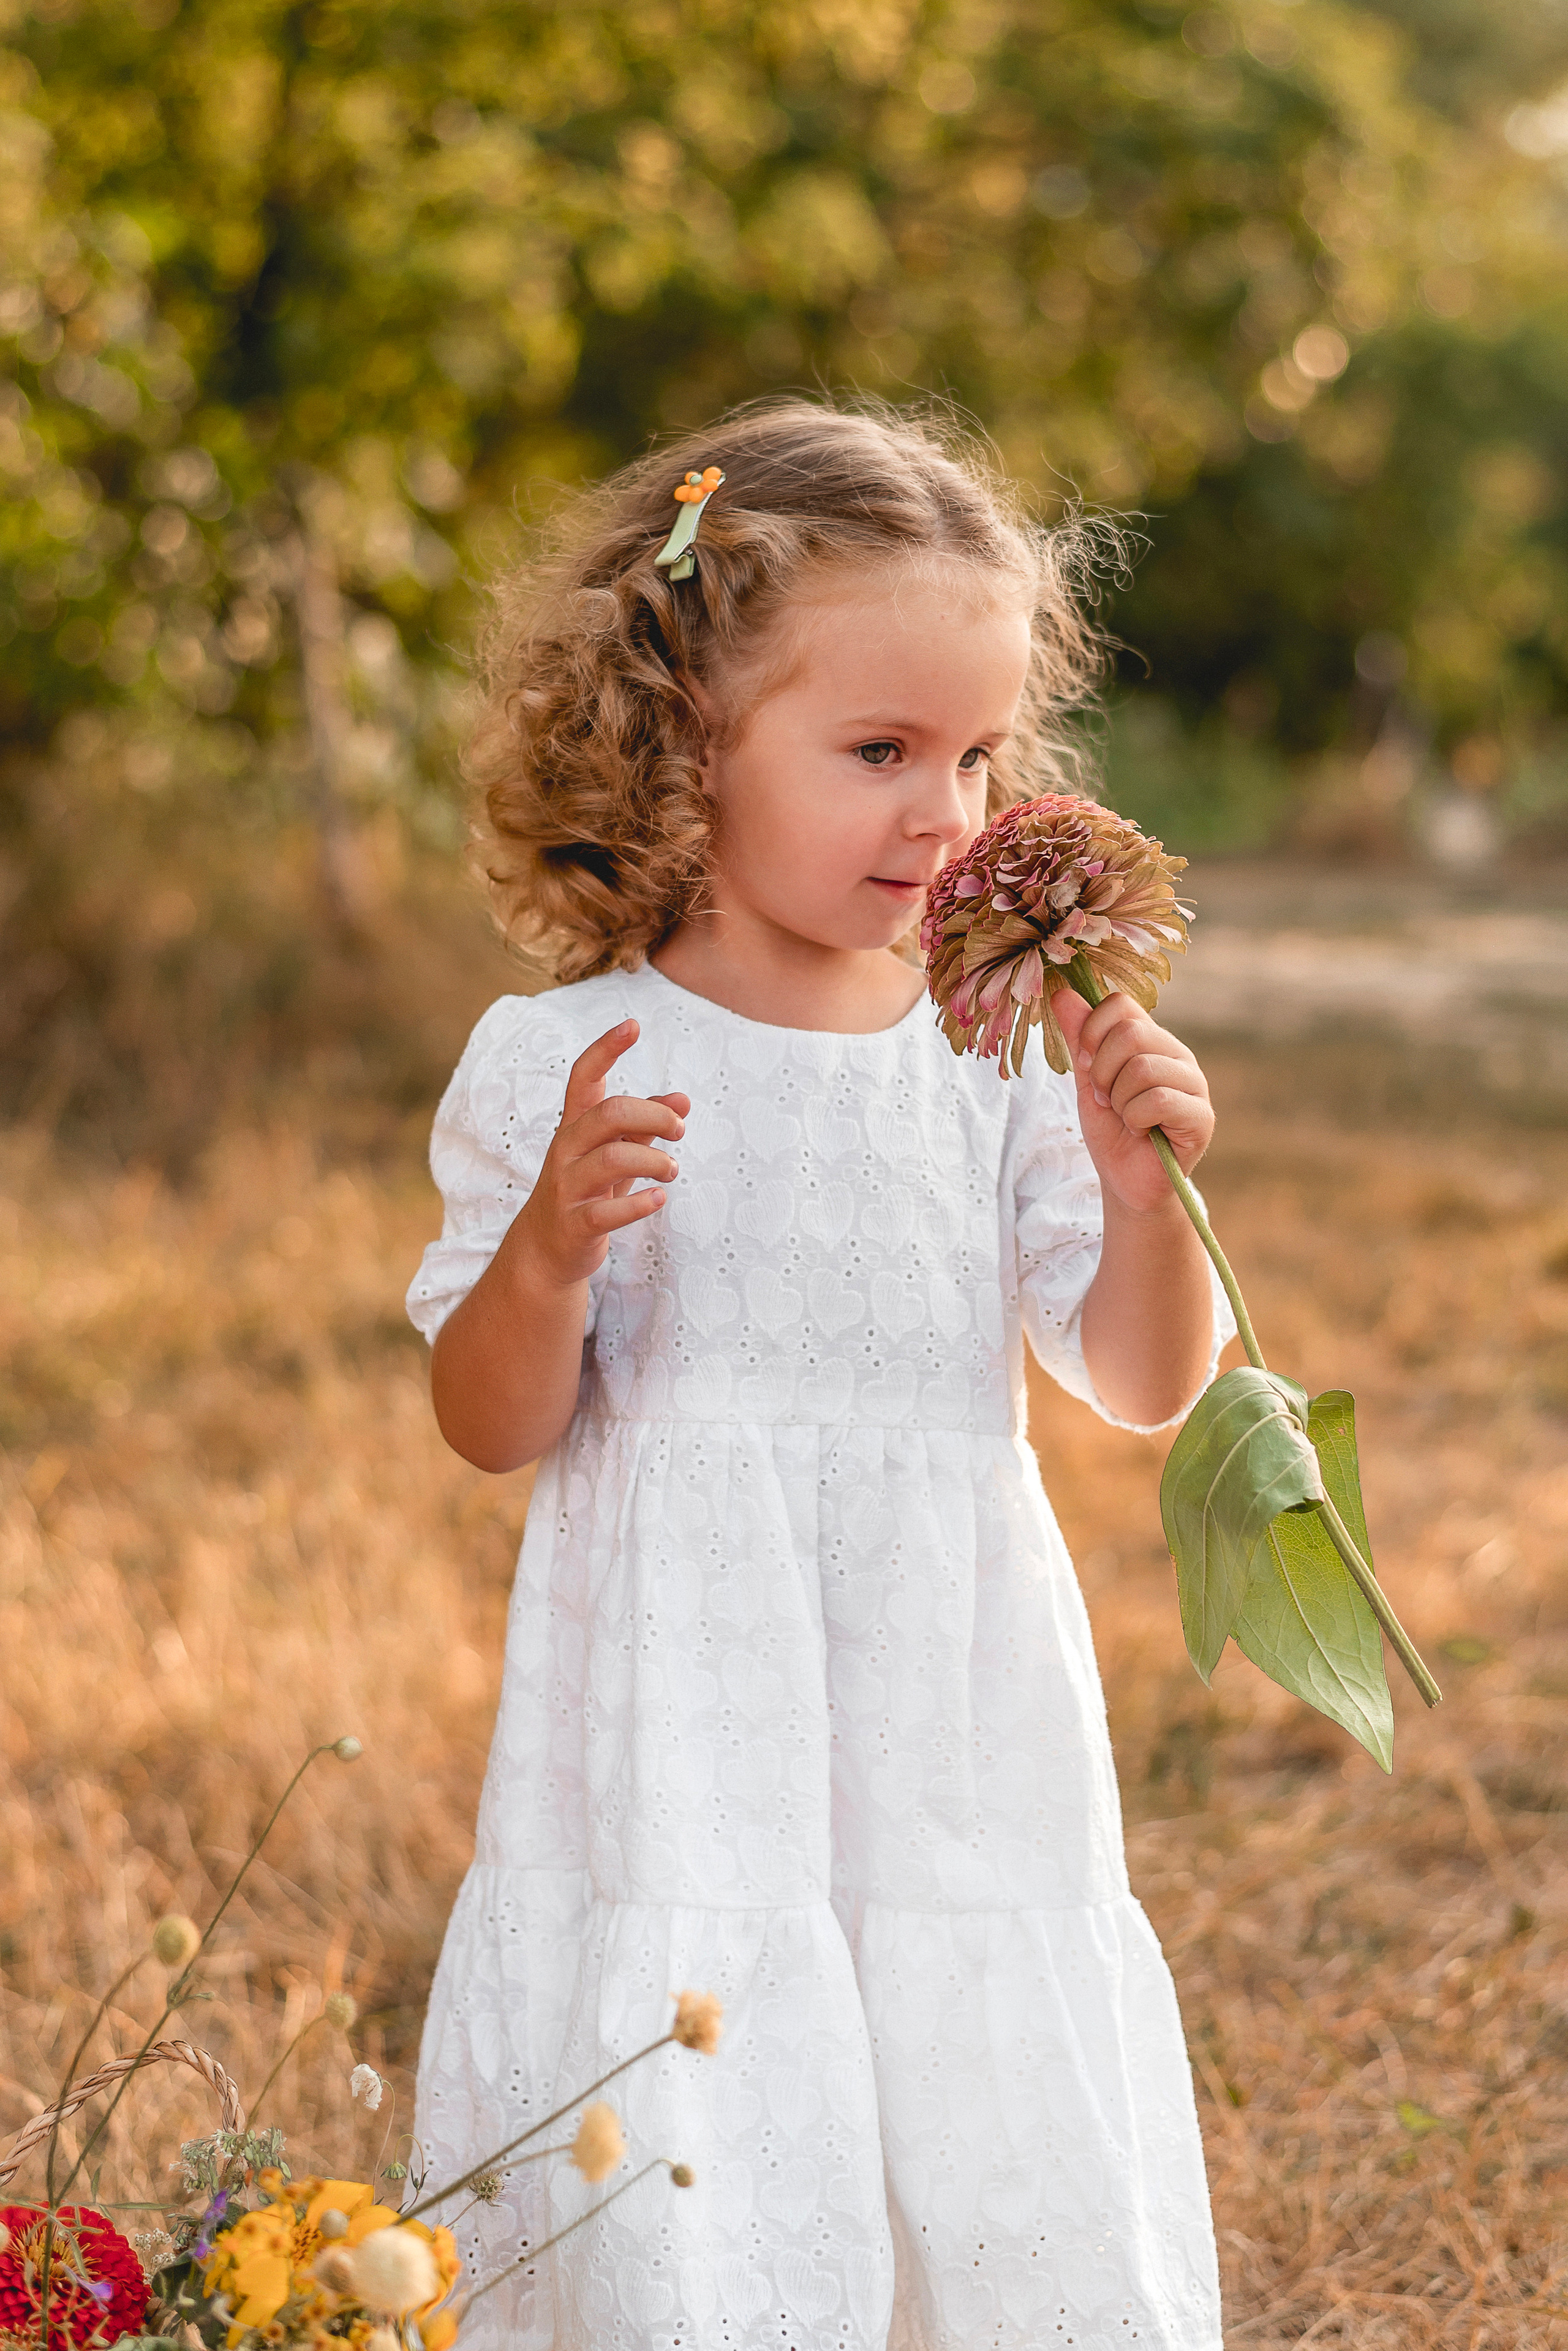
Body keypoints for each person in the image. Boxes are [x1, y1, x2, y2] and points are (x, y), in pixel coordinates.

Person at [405, 399, 1233, 2351]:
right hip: (690, 1735)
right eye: (880, 753)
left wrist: (1148, 1200)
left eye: (977, 755)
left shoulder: (994, 1048)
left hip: (953, 1726)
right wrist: (546, 1257)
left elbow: (1141, 1381)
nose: (947, 814)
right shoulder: (564, 1060)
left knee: (965, 2064)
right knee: (712, 2062)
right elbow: (491, 1425)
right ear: (683, 733)